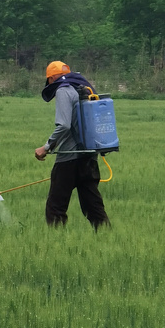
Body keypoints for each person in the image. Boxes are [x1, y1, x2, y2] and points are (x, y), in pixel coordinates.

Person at [34, 60, 111, 229]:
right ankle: (108, 239)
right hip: (90, 156)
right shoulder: (84, 88)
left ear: (52, 78)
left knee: (55, 208)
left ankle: (56, 245)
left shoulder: (63, 91)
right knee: (94, 207)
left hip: (69, 159)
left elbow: (64, 125)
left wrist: (46, 148)